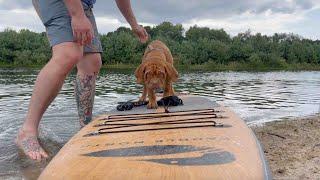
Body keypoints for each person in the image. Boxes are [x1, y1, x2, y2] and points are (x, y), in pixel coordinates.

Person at [15, 0, 148, 161]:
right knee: (68, 54)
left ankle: (84, 128)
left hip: (83, 4)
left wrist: (134, 25)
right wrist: (77, 15)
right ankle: (27, 131)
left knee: (91, 62)